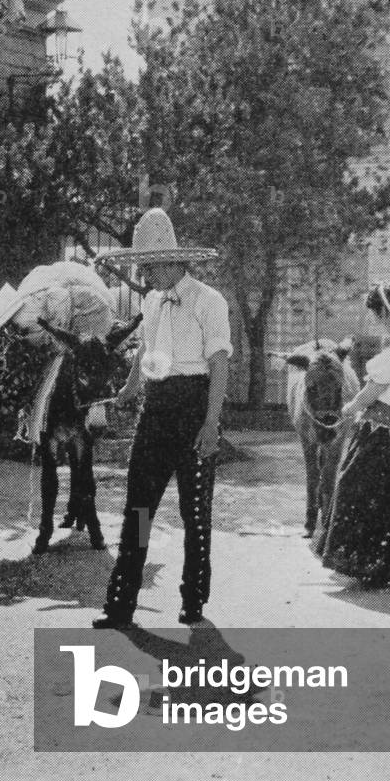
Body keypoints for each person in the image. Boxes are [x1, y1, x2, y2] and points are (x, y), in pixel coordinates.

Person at [92, 208, 232, 628]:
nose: (145, 277)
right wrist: (131, 387)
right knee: (138, 510)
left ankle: (193, 600)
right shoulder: (151, 303)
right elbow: (145, 351)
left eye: (150, 268)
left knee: (195, 514)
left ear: (172, 262)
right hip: (156, 409)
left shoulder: (209, 302)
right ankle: (121, 604)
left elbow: (220, 365)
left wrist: (211, 423)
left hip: (194, 406)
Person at [316, 282, 390, 588]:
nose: (376, 321)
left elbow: (369, 395)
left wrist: (347, 408)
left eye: (377, 315)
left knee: (354, 489)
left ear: (387, 313)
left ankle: (355, 563)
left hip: (380, 435)